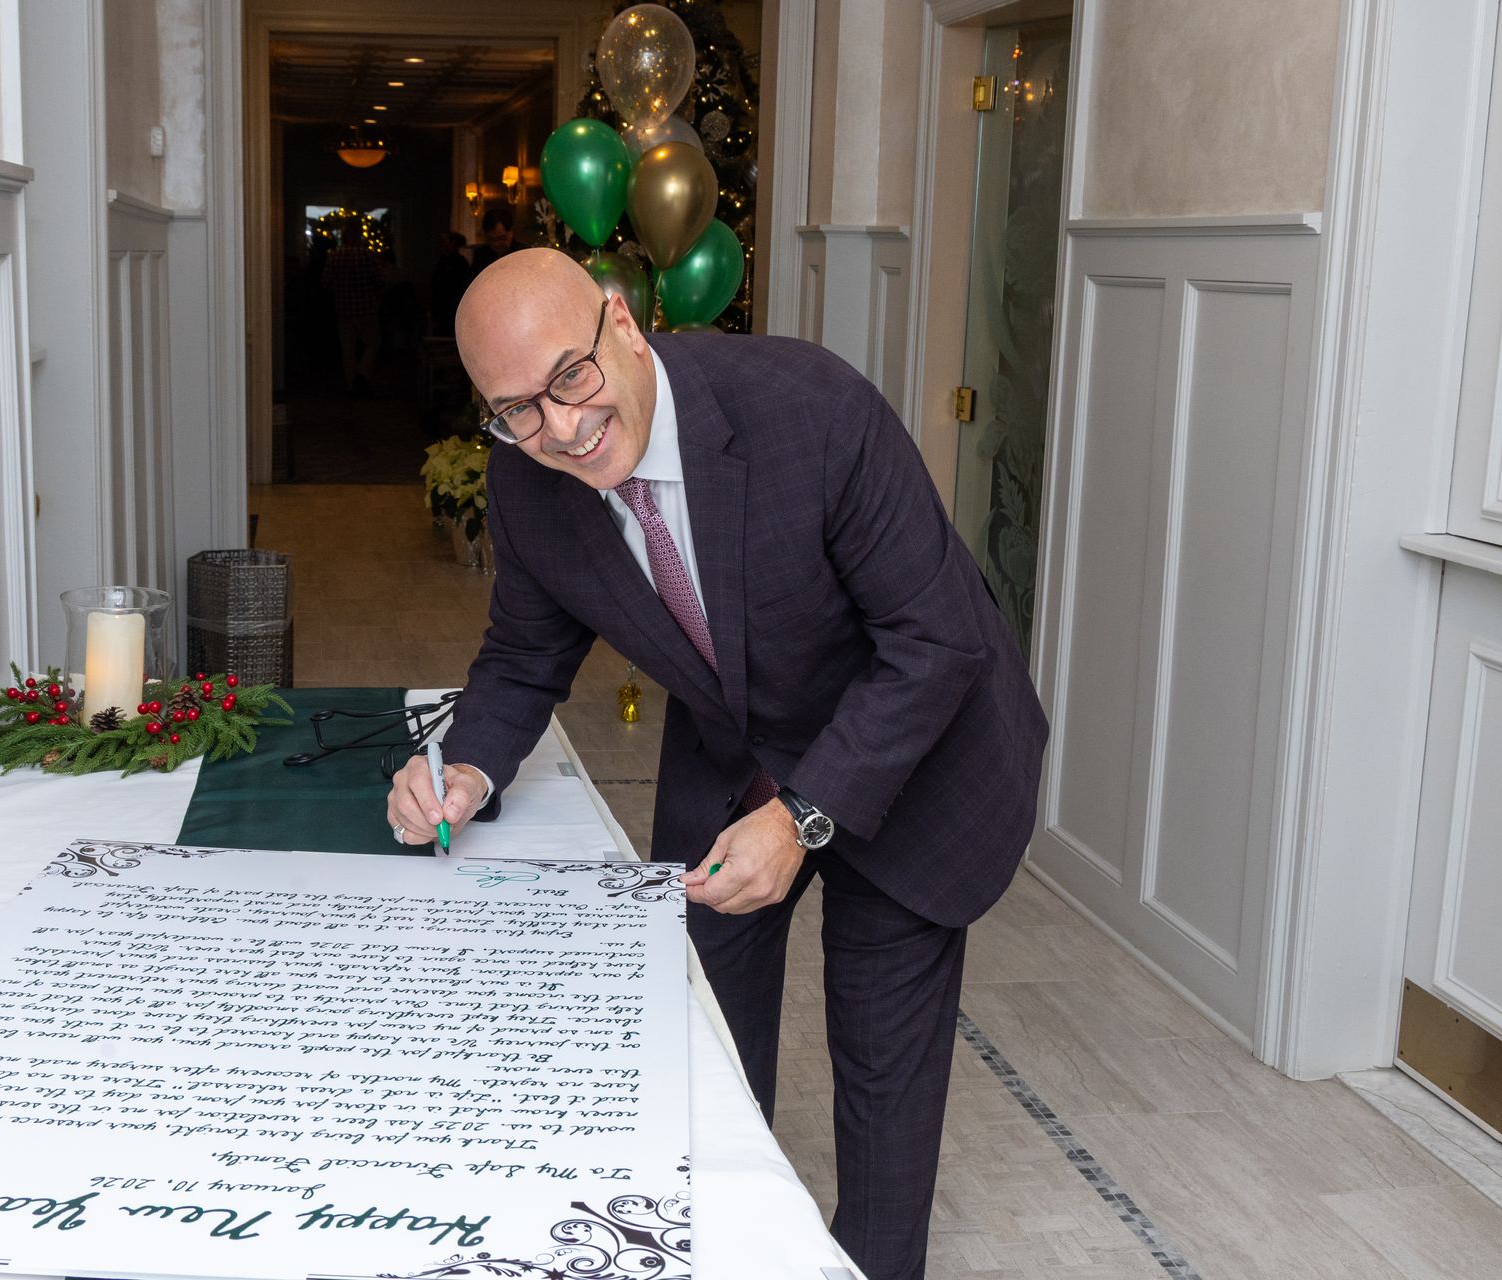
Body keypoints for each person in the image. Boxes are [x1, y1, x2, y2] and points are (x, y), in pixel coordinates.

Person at [384, 249, 1048, 1280]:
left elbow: (937, 642)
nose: (561, 426)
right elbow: (523, 652)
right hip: (735, 749)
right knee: (697, 1041)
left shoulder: (811, 408)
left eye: (570, 376)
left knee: (881, 1078)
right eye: (517, 409)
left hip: (912, 750)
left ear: (622, 323)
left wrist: (803, 817)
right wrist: (466, 769)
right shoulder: (526, 479)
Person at [322, 220, 383, 394]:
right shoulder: (367, 255)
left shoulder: (334, 256)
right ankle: (362, 373)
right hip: (367, 308)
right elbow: (379, 280)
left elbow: (325, 282)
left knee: (347, 348)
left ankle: (351, 383)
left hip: (343, 310)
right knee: (372, 343)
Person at [429, 230, 471, 338]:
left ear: (453, 242)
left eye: (444, 241)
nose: (441, 245)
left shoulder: (460, 263)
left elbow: (462, 287)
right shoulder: (441, 262)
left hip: (454, 310)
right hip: (441, 310)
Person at [469, 205, 523, 276]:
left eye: (502, 238)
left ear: (511, 231)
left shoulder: (522, 253)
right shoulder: (480, 255)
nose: (496, 244)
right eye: (491, 239)